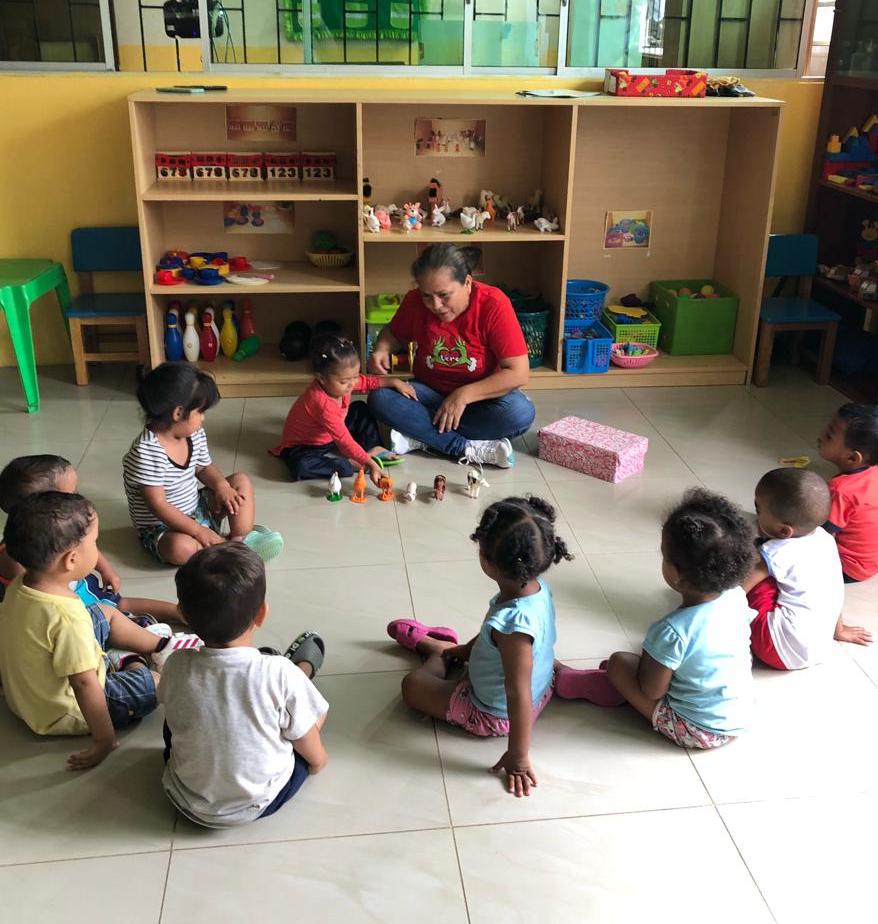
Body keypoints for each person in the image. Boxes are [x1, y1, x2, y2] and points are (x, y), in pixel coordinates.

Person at [386, 495, 571, 797]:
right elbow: (493, 637)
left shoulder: (513, 628)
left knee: (412, 686)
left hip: (494, 713)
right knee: (509, 653)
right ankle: (453, 651)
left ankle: (437, 652)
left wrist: (518, 756)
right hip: (542, 686)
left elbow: (517, 694)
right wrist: (467, 650)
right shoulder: (537, 590)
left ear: (487, 561)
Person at [555, 489, 757, 750]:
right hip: (739, 716)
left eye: (664, 554)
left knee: (619, 663)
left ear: (675, 573)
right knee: (643, 664)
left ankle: (592, 683)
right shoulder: (736, 596)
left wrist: (636, 670)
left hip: (696, 729)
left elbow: (652, 690)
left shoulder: (672, 630)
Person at [0, 454, 185, 694]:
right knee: (111, 631)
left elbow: (88, 548)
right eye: (70, 494)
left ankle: (179, 614)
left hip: (78, 591)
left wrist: (106, 570)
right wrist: (0, 663)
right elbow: (14, 618)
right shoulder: (18, 561)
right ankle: (134, 660)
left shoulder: (60, 537)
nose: (78, 499)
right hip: (63, 619)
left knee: (118, 604)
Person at [0, 491, 170, 770]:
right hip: (67, 710)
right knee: (158, 683)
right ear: (72, 559)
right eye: (95, 542)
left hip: (29, 699)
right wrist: (103, 740)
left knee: (103, 611)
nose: (98, 550)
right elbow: (84, 684)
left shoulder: (21, 585)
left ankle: (161, 645)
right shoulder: (68, 618)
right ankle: (130, 661)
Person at [160, 542, 329, 827]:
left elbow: (168, 703)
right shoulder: (278, 673)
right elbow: (304, 737)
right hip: (260, 802)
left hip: (185, 797)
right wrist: (317, 761)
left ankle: (290, 690)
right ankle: (302, 672)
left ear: (183, 616)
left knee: (174, 715)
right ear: (261, 614)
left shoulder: (176, 663)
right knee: (310, 712)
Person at [366, 243, 535, 469]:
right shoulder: (414, 301)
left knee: (519, 412)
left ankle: (423, 437)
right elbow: (394, 333)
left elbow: (518, 372)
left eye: (444, 295)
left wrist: (463, 395)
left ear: (467, 283)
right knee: (380, 397)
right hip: (429, 393)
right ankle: (462, 447)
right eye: (427, 296)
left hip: (479, 400)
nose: (435, 305)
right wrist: (381, 348)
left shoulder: (493, 304)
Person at [124, 363, 282, 566]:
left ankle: (240, 539)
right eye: (200, 411)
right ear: (178, 413)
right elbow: (159, 505)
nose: (203, 417)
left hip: (197, 508)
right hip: (162, 527)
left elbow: (204, 468)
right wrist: (198, 531)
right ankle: (224, 549)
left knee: (239, 481)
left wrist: (222, 487)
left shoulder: (194, 434)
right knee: (179, 548)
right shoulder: (146, 452)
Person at [743, 468, 871, 671]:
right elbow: (833, 590)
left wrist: (702, 606)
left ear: (784, 530)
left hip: (775, 649)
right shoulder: (826, 539)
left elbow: (738, 590)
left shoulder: (775, 551)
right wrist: (839, 631)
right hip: (818, 649)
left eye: (759, 511)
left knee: (755, 575)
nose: (756, 516)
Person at [270, 333, 416, 484]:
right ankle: (349, 464)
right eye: (344, 381)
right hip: (306, 446)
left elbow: (367, 381)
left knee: (360, 408)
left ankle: (374, 447)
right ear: (321, 378)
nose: (352, 384)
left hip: (330, 434)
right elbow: (344, 440)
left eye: (355, 377)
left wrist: (394, 381)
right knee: (301, 466)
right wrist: (368, 463)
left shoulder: (346, 381)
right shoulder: (321, 403)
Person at [816, 403, 878, 582]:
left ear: (853, 457)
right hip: (869, 564)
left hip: (845, 567)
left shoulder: (841, 490)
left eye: (829, 435)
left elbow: (822, 538)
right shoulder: (876, 474)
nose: (820, 435)